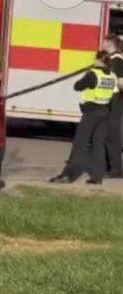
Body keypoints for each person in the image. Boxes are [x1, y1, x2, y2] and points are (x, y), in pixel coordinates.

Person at [50, 50, 118, 185]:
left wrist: (88, 74)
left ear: (98, 60)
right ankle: (97, 177)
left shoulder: (93, 74)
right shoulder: (112, 76)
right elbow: (114, 91)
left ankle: (68, 175)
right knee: (98, 145)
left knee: (80, 143)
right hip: (105, 111)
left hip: (92, 111)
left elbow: (78, 87)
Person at [102, 33, 123, 178]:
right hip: (111, 103)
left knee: (113, 136)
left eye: (104, 43)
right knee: (108, 135)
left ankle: (116, 169)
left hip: (115, 104)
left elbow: (120, 82)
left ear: (110, 44)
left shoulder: (117, 61)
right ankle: (110, 166)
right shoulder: (113, 60)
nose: (102, 46)